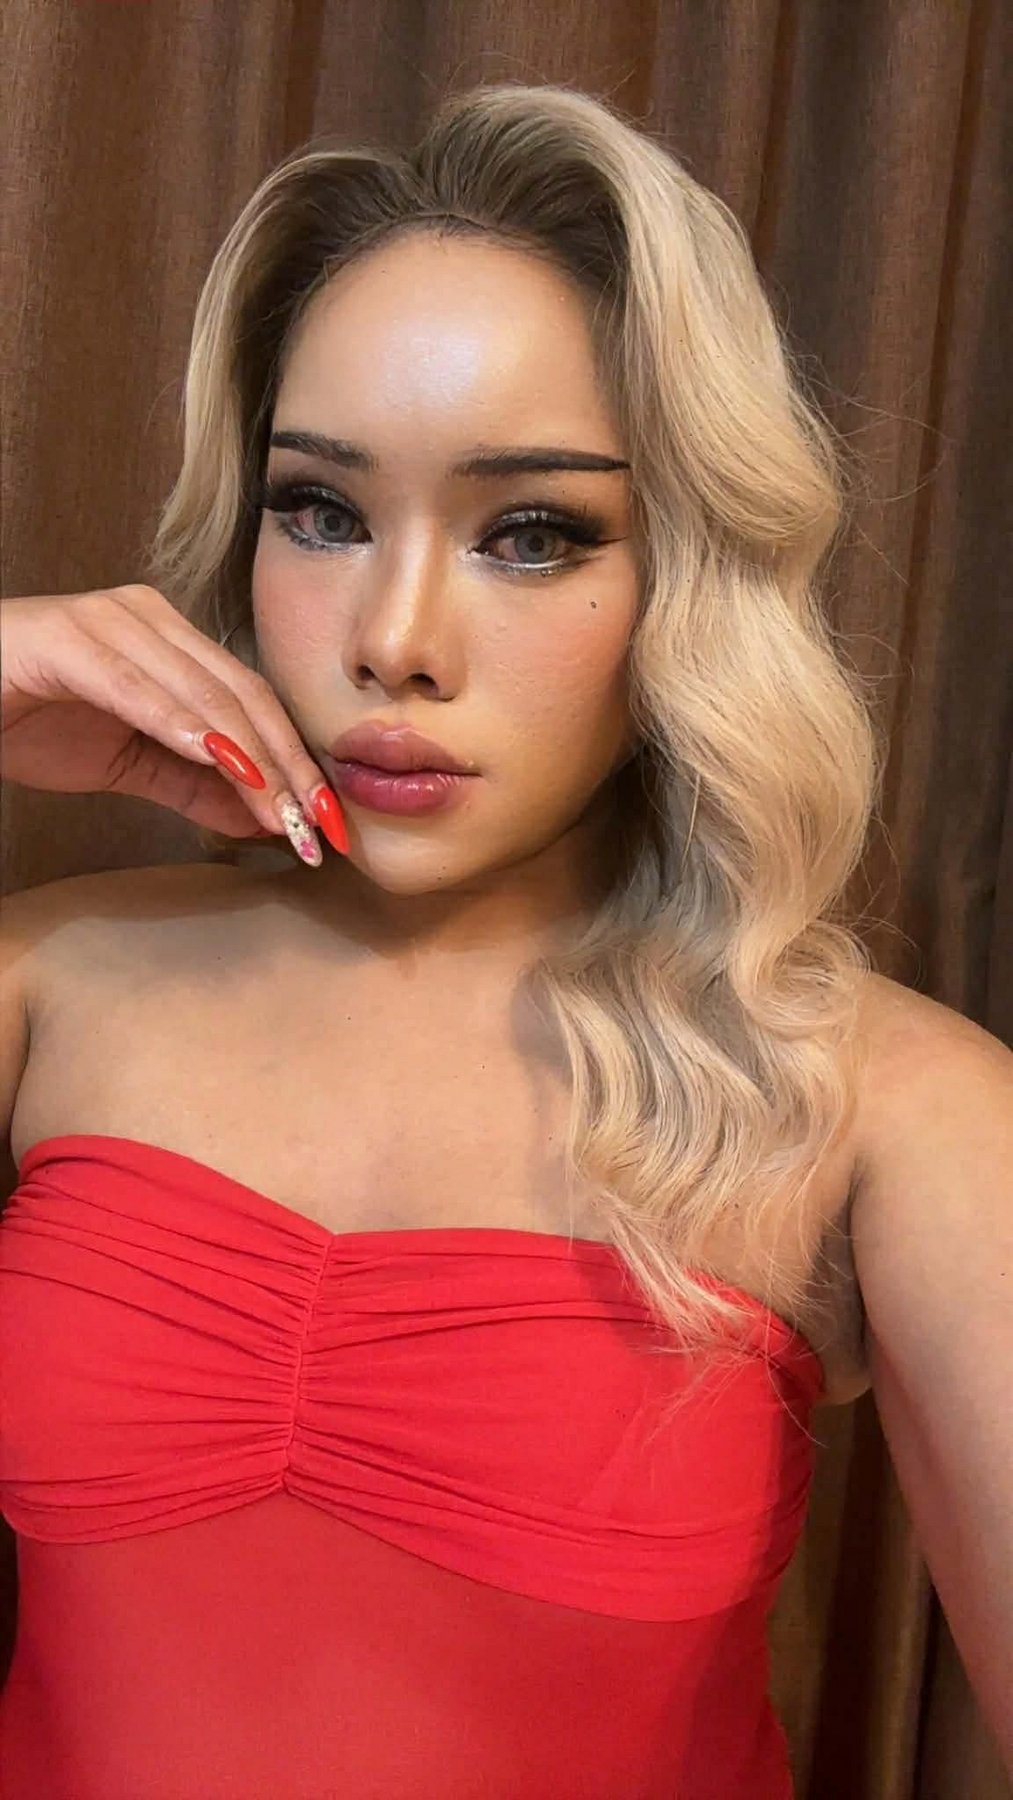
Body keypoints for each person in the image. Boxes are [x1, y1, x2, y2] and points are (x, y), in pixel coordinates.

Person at [0, 81, 1010, 1800]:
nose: (393, 640)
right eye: (322, 510)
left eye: (530, 534)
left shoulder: (886, 1106)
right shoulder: (52, 984)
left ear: (686, 573)